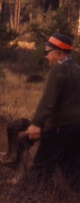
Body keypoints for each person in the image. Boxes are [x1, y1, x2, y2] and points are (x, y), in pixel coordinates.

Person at [26, 32, 80, 188]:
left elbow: (48, 101)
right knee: (73, 171)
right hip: (77, 130)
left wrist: (36, 124)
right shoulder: (78, 70)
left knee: (40, 169)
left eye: (47, 52)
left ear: (57, 52)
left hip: (59, 130)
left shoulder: (57, 71)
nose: (46, 57)